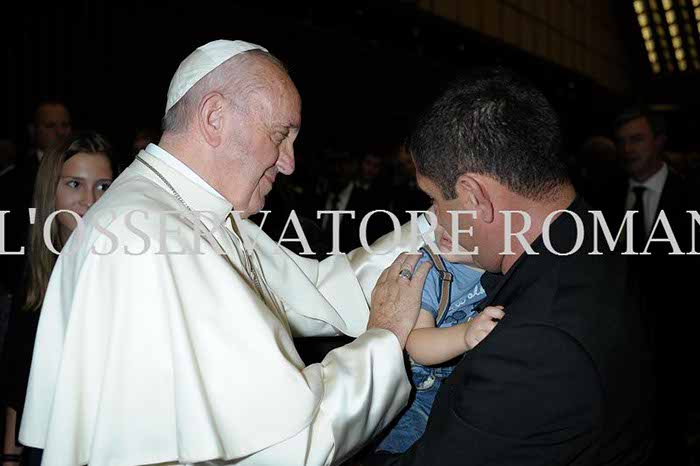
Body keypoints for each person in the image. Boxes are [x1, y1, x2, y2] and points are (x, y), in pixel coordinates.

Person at [18, 40, 429, 466]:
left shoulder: (191, 211)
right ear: (214, 117)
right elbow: (292, 445)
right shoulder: (157, 236)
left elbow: (319, 290)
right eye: (280, 135)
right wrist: (385, 339)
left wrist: (433, 227)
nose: (288, 163)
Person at [362, 67, 654, 465]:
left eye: (434, 200)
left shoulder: (533, 349)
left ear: (474, 197)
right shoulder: (594, 237)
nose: (433, 217)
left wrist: (381, 335)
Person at [0, 132, 114, 466]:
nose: (90, 200)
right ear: (51, 189)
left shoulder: (123, 269)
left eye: (103, 186)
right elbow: (18, 372)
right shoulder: (36, 269)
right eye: (75, 185)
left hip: (102, 440)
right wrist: (9, 454)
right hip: (43, 439)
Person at [610, 109, 698, 465]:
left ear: (659, 142)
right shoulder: (603, 198)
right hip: (621, 342)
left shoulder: (691, 197)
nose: (628, 149)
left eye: (637, 139)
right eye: (623, 141)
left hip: (676, 338)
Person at [375, 225, 503, 454]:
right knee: (401, 448)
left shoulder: (504, 270)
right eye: (441, 212)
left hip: (460, 387)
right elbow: (417, 344)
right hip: (417, 390)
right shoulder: (428, 268)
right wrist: (465, 334)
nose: (447, 227)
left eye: (465, 222)